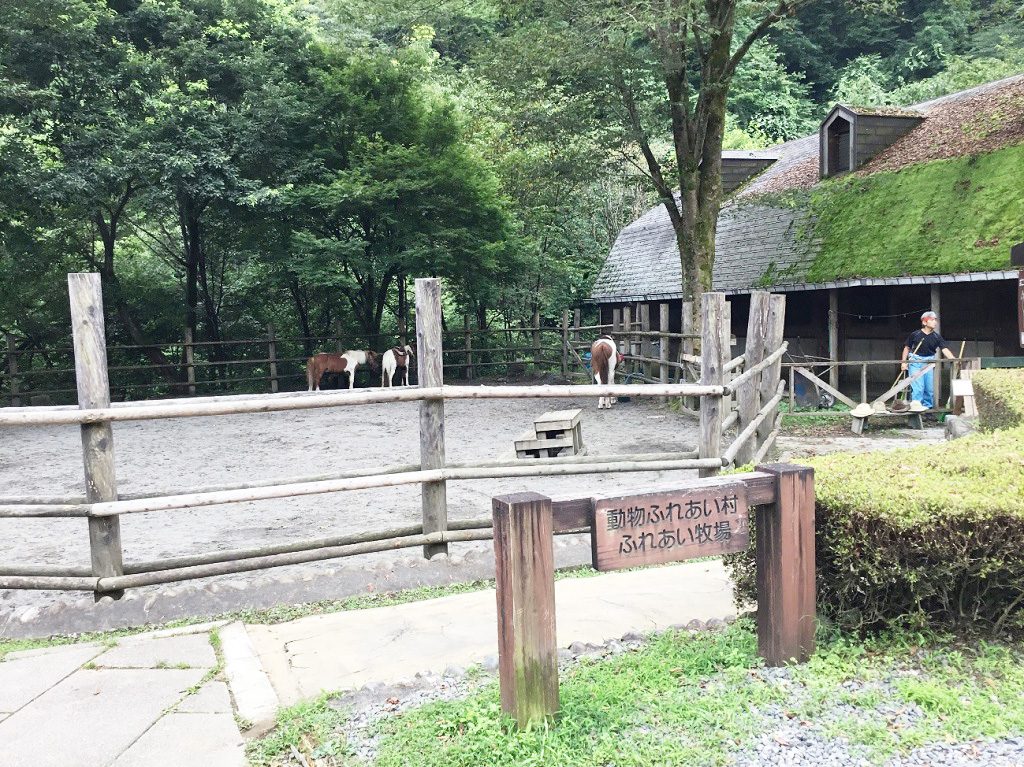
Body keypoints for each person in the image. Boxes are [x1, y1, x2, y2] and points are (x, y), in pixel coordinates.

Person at [900, 311, 956, 409]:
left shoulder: (936, 337)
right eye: (932, 320)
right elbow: (907, 348)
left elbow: (944, 349)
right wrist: (904, 362)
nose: (935, 322)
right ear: (925, 322)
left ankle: (927, 410)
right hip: (915, 362)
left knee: (929, 389)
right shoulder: (915, 334)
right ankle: (916, 408)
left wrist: (954, 359)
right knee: (918, 388)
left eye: (935, 320)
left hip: (929, 363)